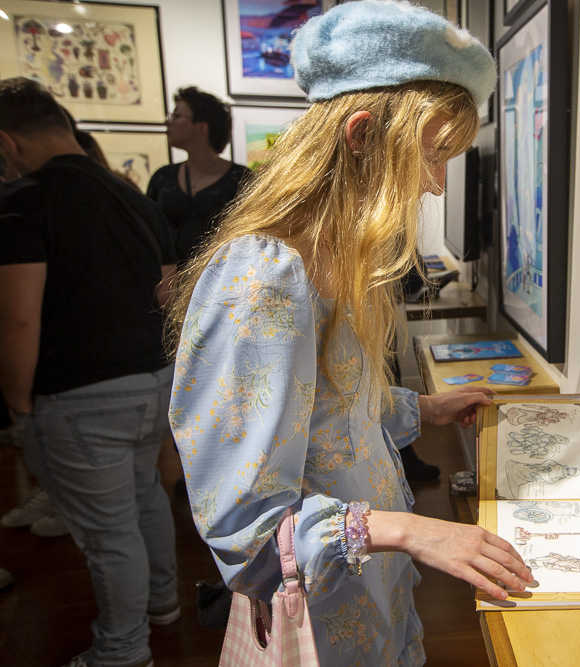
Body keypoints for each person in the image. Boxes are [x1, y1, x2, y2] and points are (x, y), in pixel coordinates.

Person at [166, 3, 533, 664]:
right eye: (432, 154)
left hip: (368, 596)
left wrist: (421, 407)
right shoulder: (264, 277)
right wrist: (410, 529)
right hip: (321, 623)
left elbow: (328, 414)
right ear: (361, 135)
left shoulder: (340, 257)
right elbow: (245, 533)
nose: (435, 182)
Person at [0, 77, 180, 667]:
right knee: (144, 497)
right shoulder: (135, 196)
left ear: (8, 141)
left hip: (79, 393)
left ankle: (124, 651)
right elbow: (169, 294)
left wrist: (18, 406)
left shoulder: (26, 201)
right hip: (152, 379)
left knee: (109, 531)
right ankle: (162, 603)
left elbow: (18, 321)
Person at [147, 86, 250, 267]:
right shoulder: (163, 178)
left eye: (177, 116)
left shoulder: (241, 179)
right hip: (167, 288)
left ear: (201, 127)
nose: (168, 122)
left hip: (222, 285)